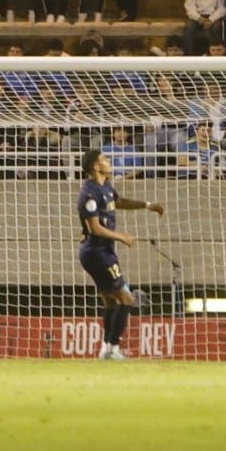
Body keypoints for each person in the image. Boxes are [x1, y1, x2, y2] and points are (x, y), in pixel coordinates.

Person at [76, 148, 165, 360]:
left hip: (102, 251)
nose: (108, 161)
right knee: (126, 298)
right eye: (104, 159)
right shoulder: (89, 193)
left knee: (111, 301)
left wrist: (147, 205)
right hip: (96, 252)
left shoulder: (105, 186)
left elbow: (119, 201)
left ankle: (106, 348)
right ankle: (113, 348)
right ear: (96, 167)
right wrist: (121, 237)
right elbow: (94, 228)